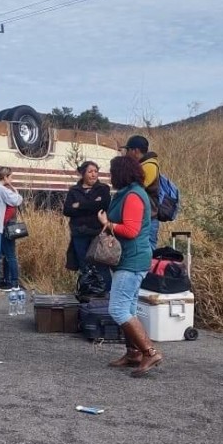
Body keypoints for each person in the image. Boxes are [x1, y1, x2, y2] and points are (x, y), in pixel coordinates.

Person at [98, 156, 162, 377]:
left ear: (121, 173)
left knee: (118, 309)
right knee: (130, 308)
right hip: (131, 259)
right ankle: (133, 353)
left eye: (113, 172)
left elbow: (131, 231)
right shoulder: (128, 192)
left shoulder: (134, 195)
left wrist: (107, 224)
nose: (110, 175)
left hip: (132, 260)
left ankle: (149, 351)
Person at [63, 160, 112, 290]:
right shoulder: (74, 190)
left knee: (101, 265)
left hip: (98, 233)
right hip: (80, 233)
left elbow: (103, 205)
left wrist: (79, 205)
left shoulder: (103, 189)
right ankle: (88, 294)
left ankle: (106, 293)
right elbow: (67, 210)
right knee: (84, 266)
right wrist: (92, 205)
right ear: (83, 173)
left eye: (96, 171)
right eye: (90, 172)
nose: (93, 174)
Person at [122, 135, 159, 250]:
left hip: (149, 217)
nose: (126, 153)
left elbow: (137, 189)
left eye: (127, 150)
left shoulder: (149, 166)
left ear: (135, 151)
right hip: (144, 216)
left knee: (148, 250)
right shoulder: (143, 165)